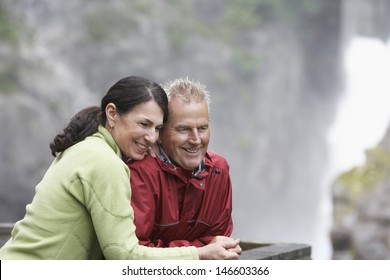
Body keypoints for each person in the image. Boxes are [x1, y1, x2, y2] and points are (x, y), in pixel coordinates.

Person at [0, 76, 240, 260]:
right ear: (112, 114)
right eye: (144, 124)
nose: (151, 137)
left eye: (157, 128)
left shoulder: (89, 148)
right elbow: (124, 255)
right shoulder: (106, 163)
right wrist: (200, 254)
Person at [128, 77, 239, 252]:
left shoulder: (219, 171)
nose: (196, 139)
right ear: (161, 133)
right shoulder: (141, 174)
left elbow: (222, 243)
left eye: (202, 128)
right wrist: (200, 251)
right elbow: (136, 251)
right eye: (184, 129)